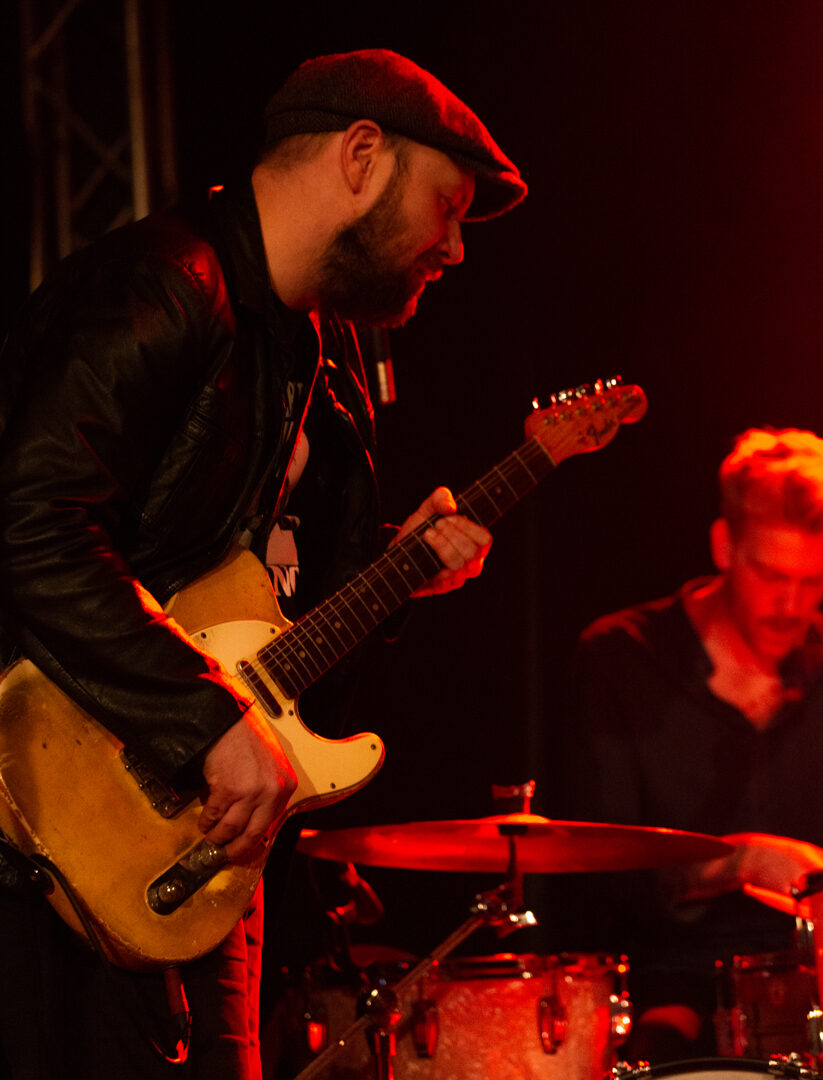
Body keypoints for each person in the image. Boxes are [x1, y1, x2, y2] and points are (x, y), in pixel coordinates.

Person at [0, 48, 527, 1079]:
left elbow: (234, 588)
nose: (455, 247)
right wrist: (205, 717)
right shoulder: (165, 286)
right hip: (55, 820)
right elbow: (28, 520)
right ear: (361, 157)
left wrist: (392, 573)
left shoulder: (316, 349)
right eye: (447, 205)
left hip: (187, 829)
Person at [562, 427, 823, 1062]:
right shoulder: (622, 659)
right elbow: (603, 878)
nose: (791, 605)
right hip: (668, 985)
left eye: (812, 581)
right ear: (724, 546)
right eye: (771, 575)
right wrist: (740, 861)